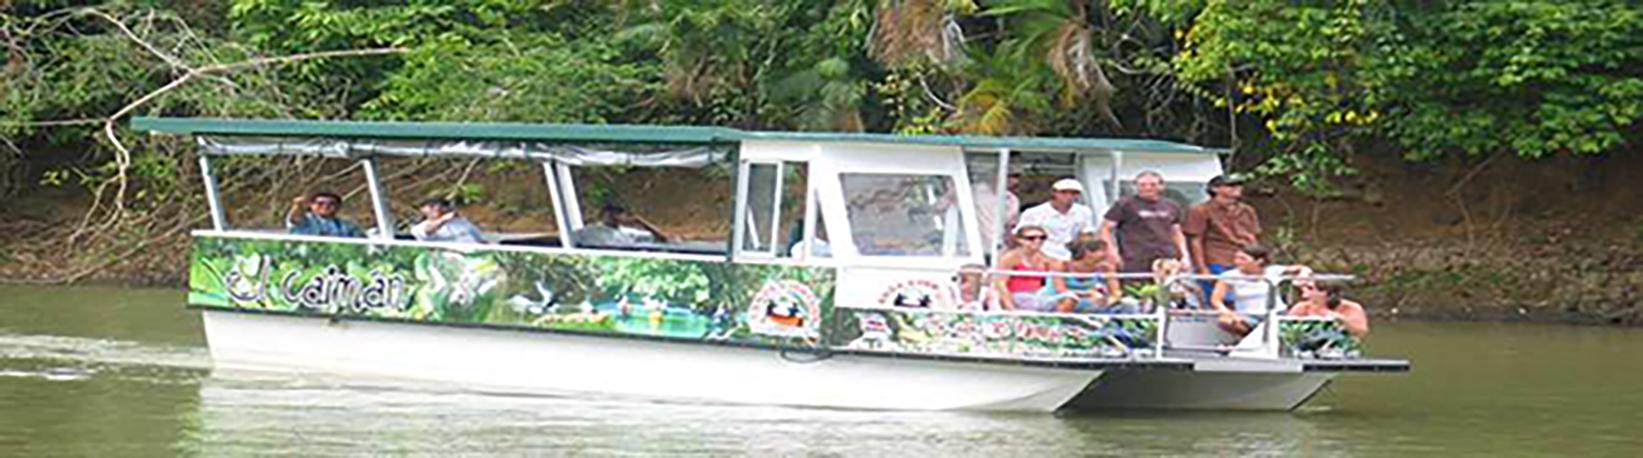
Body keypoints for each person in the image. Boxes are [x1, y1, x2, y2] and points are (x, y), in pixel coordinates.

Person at [1185, 174, 1261, 301]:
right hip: (1217, 260)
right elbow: (1195, 240)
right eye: (1230, 185)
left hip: (1244, 260)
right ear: (1215, 189)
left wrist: (1258, 262)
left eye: (1238, 185)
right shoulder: (1200, 210)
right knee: (1221, 299)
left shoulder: (1247, 210)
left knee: (1246, 299)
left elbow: (1252, 237)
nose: (1237, 188)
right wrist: (1201, 268)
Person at [1210, 244, 1312, 336]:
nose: (1237, 262)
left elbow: (1300, 268)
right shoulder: (1229, 276)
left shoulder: (1273, 271)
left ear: (1259, 261)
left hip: (1276, 313)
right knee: (1225, 321)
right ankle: (1248, 337)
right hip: (1247, 316)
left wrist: (1303, 274)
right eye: (1236, 258)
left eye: (1243, 259)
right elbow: (1216, 299)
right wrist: (1227, 312)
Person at [1100, 170, 1190, 273]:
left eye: (1153, 185)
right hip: (1134, 258)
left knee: (1166, 288)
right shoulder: (1124, 204)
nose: (1147, 188)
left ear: (1161, 186)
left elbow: (1176, 232)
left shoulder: (1172, 206)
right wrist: (1112, 252)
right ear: (1136, 186)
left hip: (1166, 258)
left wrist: (1184, 255)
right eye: (1142, 185)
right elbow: (1105, 229)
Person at [1041, 239, 1131, 314]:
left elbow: (1116, 292)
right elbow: (1062, 291)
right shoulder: (1061, 265)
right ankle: (1058, 328)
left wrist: (1108, 300)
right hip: (1056, 299)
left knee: (1128, 304)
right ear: (1088, 254)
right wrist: (1088, 294)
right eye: (1102, 251)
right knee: (1070, 299)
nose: (1106, 255)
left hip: (1088, 301)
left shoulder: (1106, 267)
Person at [1015, 178, 1096, 260]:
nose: (1069, 196)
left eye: (1074, 193)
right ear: (1054, 193)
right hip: (1041, 254)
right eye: (1063, 192)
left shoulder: (1084, 211)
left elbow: (1087, 234)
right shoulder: (1033, 213)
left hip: (1071, 255)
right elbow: (1020, 236)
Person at [992, 225, 1056, 311]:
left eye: (1042, 237)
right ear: (1019, 240)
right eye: (1031, 238)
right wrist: (1011, 308)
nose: (1038, 241)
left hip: (1039, 296)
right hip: (1016, 296)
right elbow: (1001, 284)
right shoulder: (1010, 258)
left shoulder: (1046, 259)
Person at [1288, 280, 1371, 338]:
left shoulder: (1352, 307)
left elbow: (1361, 331)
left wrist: (1341, 319)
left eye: (1310, 288)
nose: (1304, 290)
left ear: (1324, 293)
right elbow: (1287, 330)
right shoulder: (1301, 308)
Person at [974, 174, 1021, 253]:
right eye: (1010, 176)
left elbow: (1010, 226)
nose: (1013, 181)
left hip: (999, 247)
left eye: (1016, 177)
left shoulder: (1012, 200)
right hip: (976, 245)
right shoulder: (975, 191)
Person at [286, 191, 365, 238]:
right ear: (311, 205)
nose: (325, 206)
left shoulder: (348, 226)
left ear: (338, 206)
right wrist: (298, 205)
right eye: (320, 203)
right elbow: (295, 218)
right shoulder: (306, 220)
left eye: (331, 204)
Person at [410, 197, 486, 243]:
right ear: (422, 209)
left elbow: (480, 241)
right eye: (431, 206)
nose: (437, 208)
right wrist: (444, 219)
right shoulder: (419, 228)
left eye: (441, 205)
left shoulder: (463, 223)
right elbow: (428, 231)